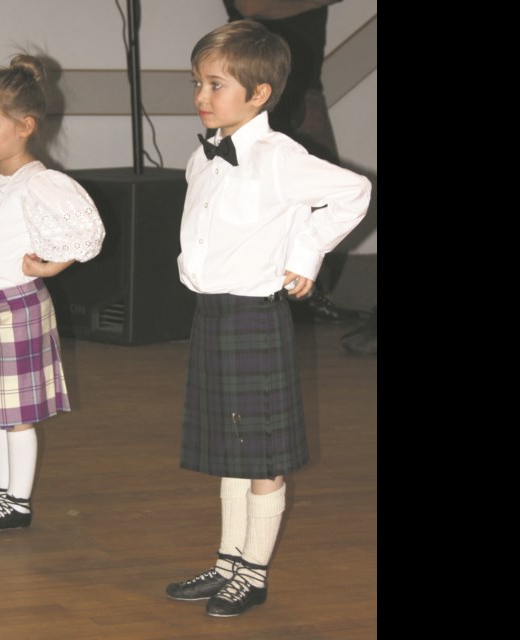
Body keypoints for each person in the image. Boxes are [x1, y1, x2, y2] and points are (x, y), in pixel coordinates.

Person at [165, 20, 371, 617]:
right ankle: (228, 560)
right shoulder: (200, 157)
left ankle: (251, 573)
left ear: (258, 94)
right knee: (232, 449)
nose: (201, 97)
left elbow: (353, 190)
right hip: (213, 314)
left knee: (260, 455)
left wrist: (305, 254)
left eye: (215, 85)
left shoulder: (278, 157)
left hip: (254, 317)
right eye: (197, 84)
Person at [0, 54, 106, 533]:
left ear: (24, 125)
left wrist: (51, 265)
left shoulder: (39, 182)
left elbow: (89, 234)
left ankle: (18, 503)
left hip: (16, 306)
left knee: (16, 415)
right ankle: (3, 495)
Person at [222, 0, 356, 323]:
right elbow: (250, 6)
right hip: (255, 90)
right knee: (252, 202)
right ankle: (264, 296)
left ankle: (308, 293)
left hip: (306, 86)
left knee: (327, 196)